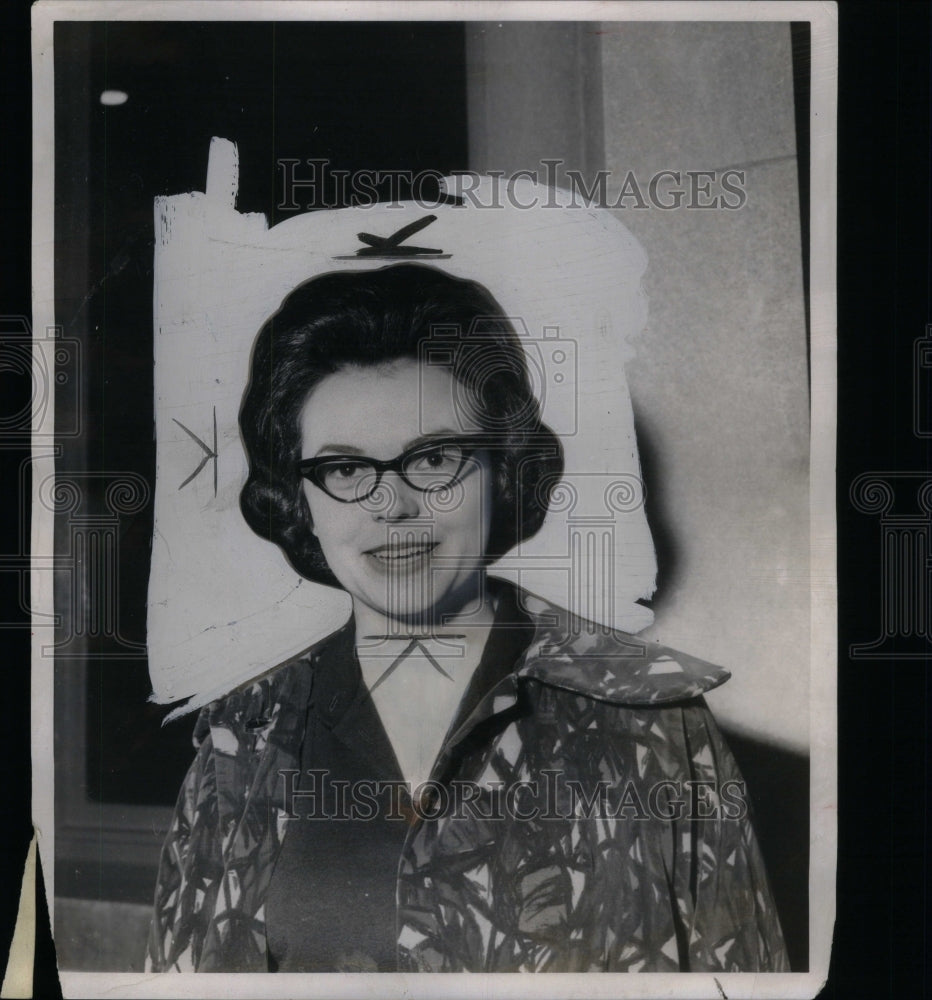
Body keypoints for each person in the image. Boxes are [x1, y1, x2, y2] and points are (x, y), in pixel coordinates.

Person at [147, 263, 788, 973]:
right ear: (302, 500)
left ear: (502, 468)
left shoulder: (656, 722)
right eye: (345, 470)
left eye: (436, 458)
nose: (391, 505)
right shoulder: (241, 737)